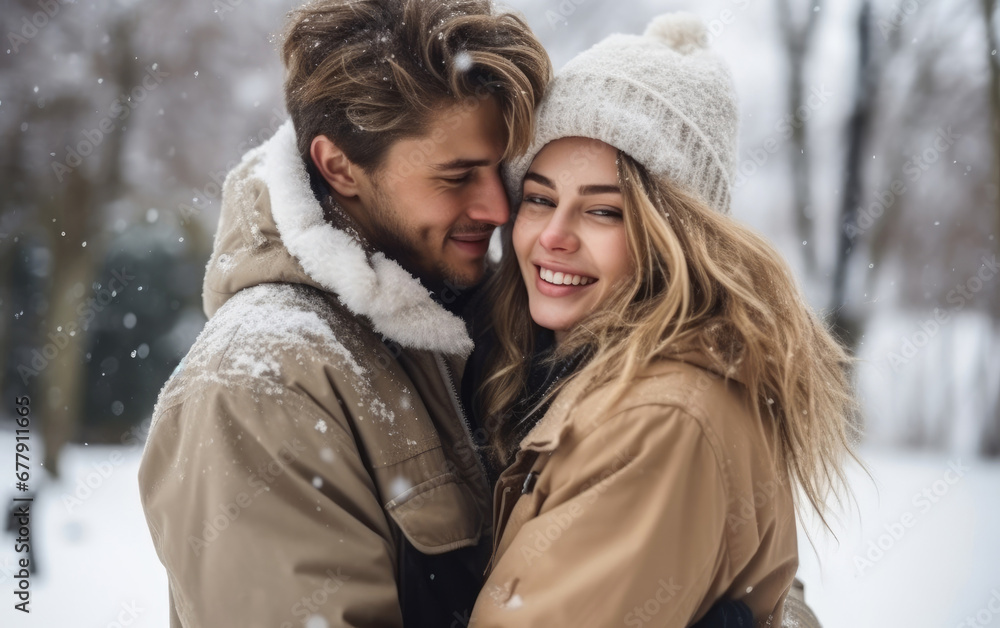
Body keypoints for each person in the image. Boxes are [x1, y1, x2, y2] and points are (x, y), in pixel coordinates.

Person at [137, 1, 550, 626]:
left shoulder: (484, 321)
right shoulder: (257, 385)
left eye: (501, 169)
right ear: (339, 166)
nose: (497, 207)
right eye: (458, 175)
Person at [462, 13, 858, 627]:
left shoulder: (661, 418)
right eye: (540, 199)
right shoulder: (540, 368)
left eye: (603, 212)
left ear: (673, 236)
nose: (554, 237)